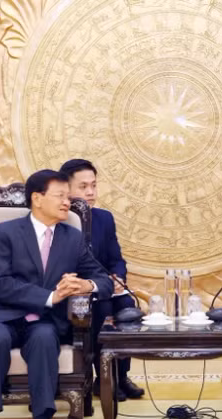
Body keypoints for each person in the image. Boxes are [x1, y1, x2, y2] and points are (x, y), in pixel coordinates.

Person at [0, 169, 113, 419]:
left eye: (69, 196)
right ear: (37, 199)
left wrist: (85, 285)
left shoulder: (72, 237)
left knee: (43, 339)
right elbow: (0, 284)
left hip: (45, 321)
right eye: (61, 196)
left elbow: (102, 279)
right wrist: (51, 296)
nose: (68, 202)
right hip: (3, 315)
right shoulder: (5, 233)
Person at [60, 158, 145, 402]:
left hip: (107, 287)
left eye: (94, 186)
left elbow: (116, 258)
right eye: (83, 186)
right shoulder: (59, 217)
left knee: (127, 306)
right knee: (103, 307)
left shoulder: (103, 218)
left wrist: (118, 277)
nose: (90, 192)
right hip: (80, 292)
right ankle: (103, 378)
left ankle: (121, 375)